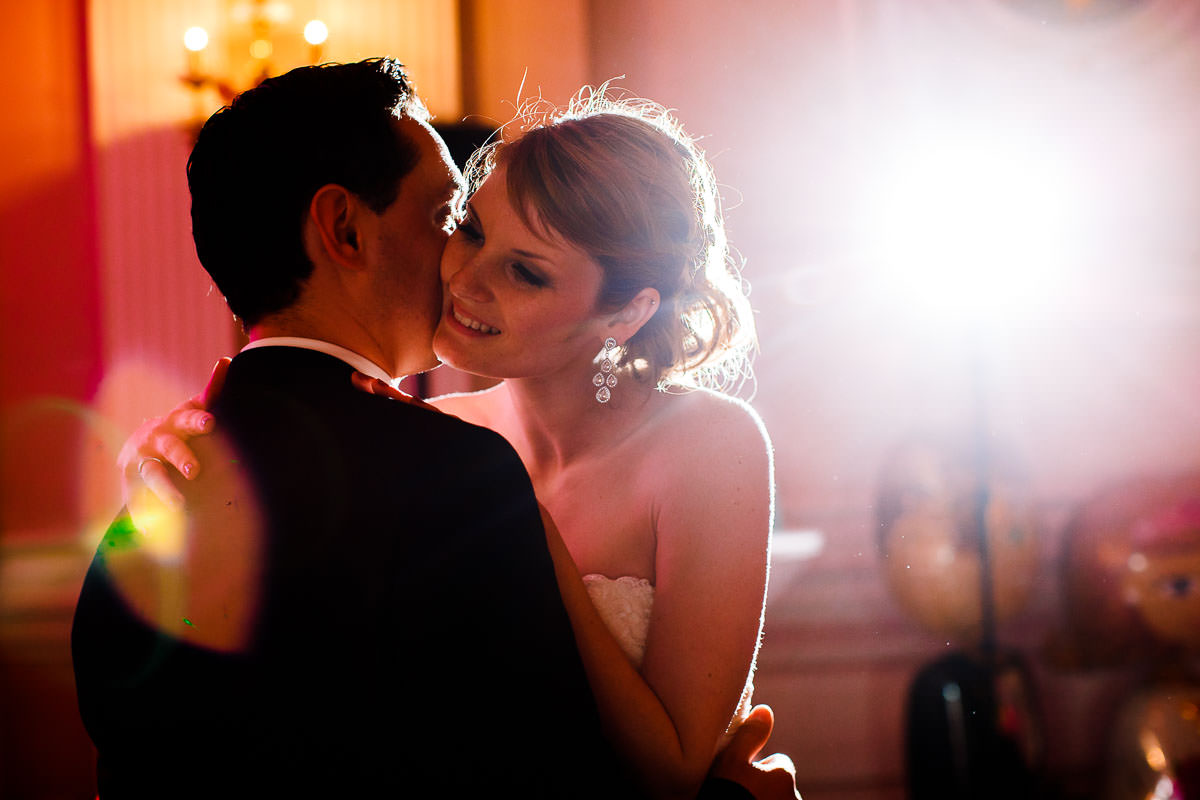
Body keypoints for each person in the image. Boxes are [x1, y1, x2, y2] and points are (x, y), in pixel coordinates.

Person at [99, 59, 798, 799]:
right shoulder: (434, 438)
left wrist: (521, 516)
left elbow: (671, 770)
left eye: (527, 273)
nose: (466, 279)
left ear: (626, 314)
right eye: (465, 229)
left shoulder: (711, 446)